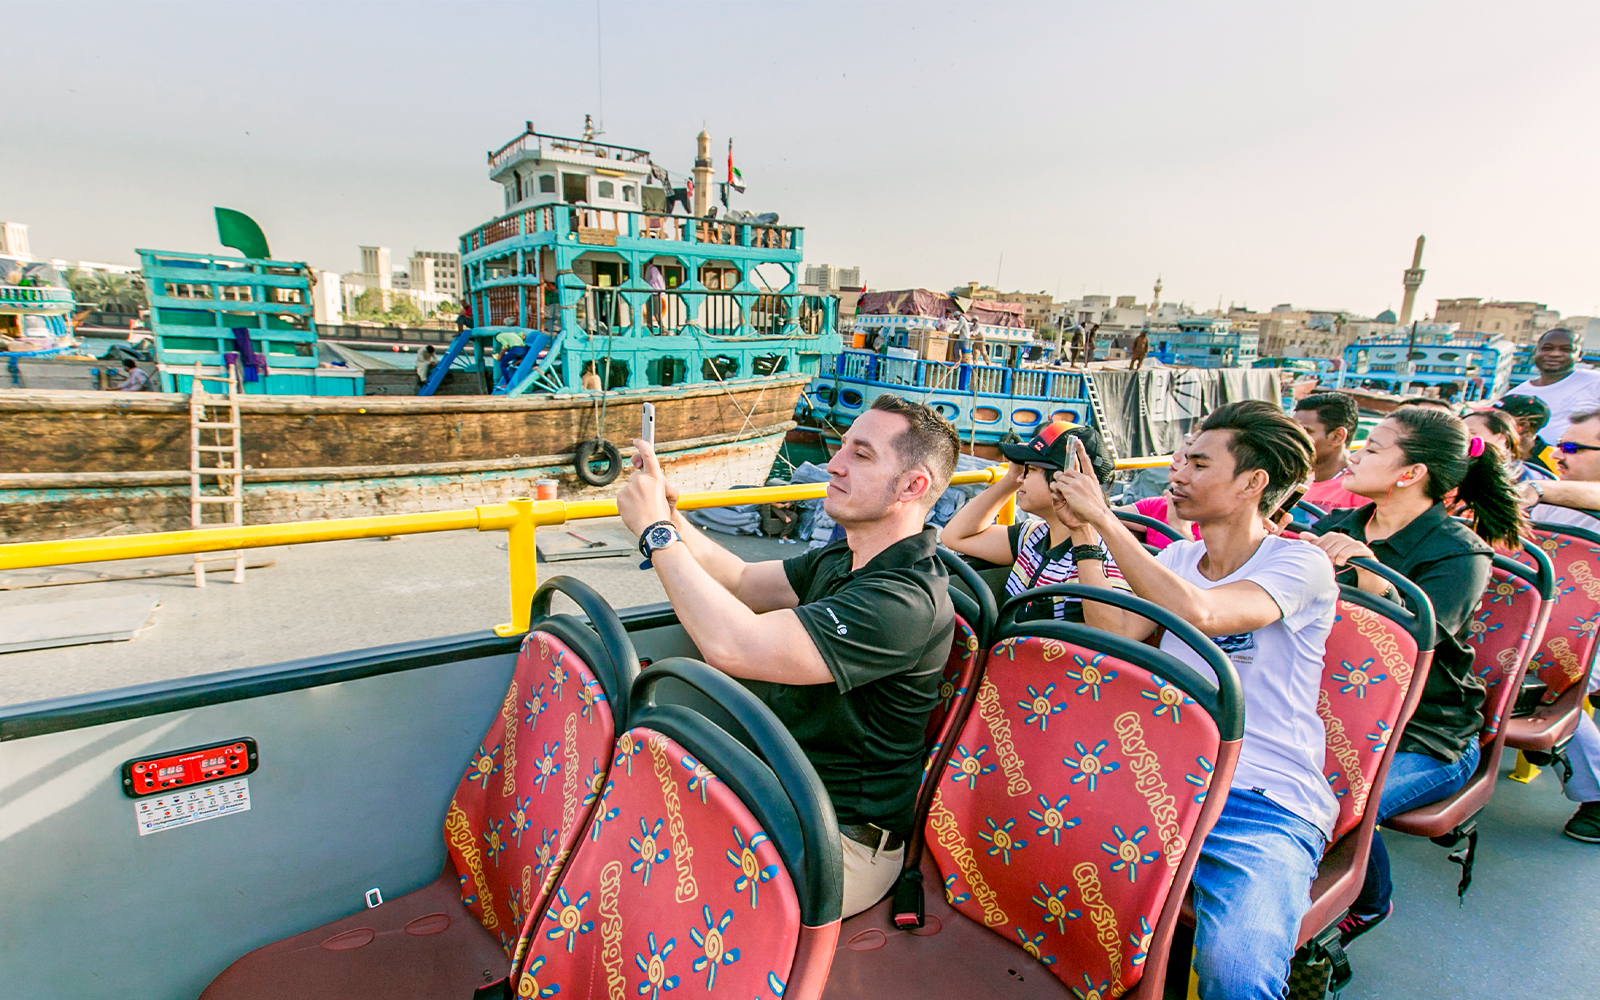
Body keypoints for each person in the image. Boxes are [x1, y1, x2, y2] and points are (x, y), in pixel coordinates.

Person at [615, 393, 958, 918]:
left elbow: (734, 645)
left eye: (861, 455)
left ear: (913, 486)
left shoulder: (904, 601)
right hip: (782, 799)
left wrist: (653, 534)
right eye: (842, 447)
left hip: (838, 842)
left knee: (653, 900)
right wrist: (670, 516)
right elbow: (744, 581)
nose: (834, 465)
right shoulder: (847, 554)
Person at [1049, 400, 1337, 1000]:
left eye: (1198, 463)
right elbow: (1113, 633)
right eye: (1180, 458)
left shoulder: (1300, 564)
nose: (1176, 472)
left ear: (1253, 483)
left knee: (1235, 971)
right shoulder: (1178, 557)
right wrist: (1083, 537)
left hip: (1262, 798)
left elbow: (1203, 614)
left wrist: (1105, 519)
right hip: (1163, 780)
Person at [1306, 406, 1523, 943]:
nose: (1356, 453)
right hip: (1325, 715)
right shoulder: (1339, 525)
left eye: (1373, 448)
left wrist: (1369, 574)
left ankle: (1369, 901)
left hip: (1426, 733)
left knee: (1334, 806)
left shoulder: (1458, 552)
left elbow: (1413, 646)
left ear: (1410, 473)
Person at [1508, 409, 1600, 842]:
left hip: (1581, 638)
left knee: (1550, 678)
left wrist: (1540, 489)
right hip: (1549, 624)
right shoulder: (1554, 501)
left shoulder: (1552, 493)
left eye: (1571, 448)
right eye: (1557, 445)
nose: (1557, 455)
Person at [941, 421, 1129, 626]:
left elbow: (1108, 631)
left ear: (1066, 478)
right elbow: (955, 536)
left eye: (1030, 469)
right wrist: (1010, 479)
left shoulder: (1103, 556)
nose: (1022, 477)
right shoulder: (1033, 535)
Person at [1503, 328, 1600, 445]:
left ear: (1579, 355)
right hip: (1531, 461)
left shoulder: (1594, 382)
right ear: (1535, 352)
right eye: (1547, 348)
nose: (1555, 354)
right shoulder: (1518, 395)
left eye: (1566, 349)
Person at [1115, 431, 1200, 551]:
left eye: (1190, 454)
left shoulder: (1221, 528)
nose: (1176, 456)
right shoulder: (1158, 506)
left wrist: (1181, 530)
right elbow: (1101, 515)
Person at [1293, 392, 1366, 509]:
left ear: (1337, 437)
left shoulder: (1361, 491)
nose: (1293, 438)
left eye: (1305, 431)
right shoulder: (1298, 485)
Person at [1491, 394, 1558, 478]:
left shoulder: (1555, 459)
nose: (1487, 420)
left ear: (1523, 426)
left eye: (1497, 417)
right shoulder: (1488, 447)